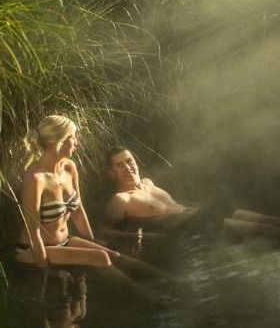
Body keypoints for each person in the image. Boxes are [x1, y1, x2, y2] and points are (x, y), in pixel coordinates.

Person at [14, 115, 175, 298]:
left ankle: (173, 281)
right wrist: (45, 270)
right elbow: (33, 231)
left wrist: (92, 242)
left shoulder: (69, 167)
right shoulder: (35, 179)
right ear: (58, 141)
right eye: (73, 137)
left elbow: (77, 210)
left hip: (64, 241)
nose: (76, 142)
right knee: (100, 258)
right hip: (33, 250)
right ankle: (148, 295)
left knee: (114, 254)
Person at [103, 147, 280, 241]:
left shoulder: (148, 182)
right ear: (111, 174)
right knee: (268, 230)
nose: (128, 167)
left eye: (129, 161)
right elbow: (104, 231)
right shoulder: (120, 201)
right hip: (193, 227)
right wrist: (141, 236)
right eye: (120, 165)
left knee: (269, 219)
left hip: (201, 213)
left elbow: (176, 204)